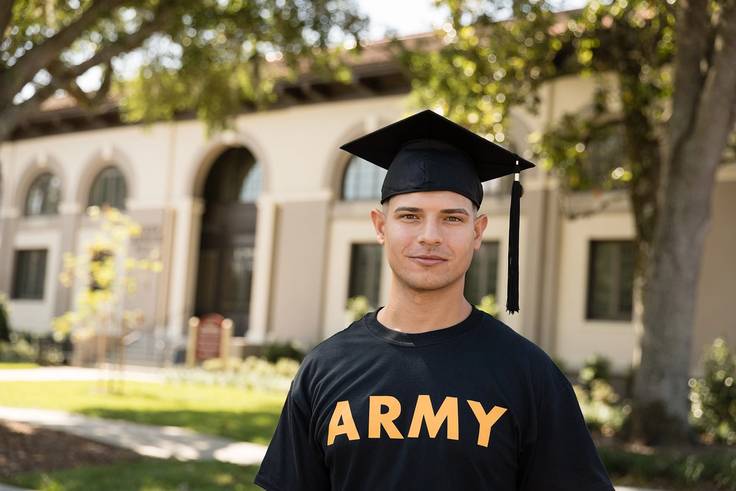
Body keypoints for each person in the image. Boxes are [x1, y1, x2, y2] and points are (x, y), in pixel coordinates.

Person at [253, 110, 615, 490]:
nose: (430, 236)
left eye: (452, 219)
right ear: (380, 226)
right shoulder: (324, 370)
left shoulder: (529, 375)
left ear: (478, 232)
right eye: (410, 216)